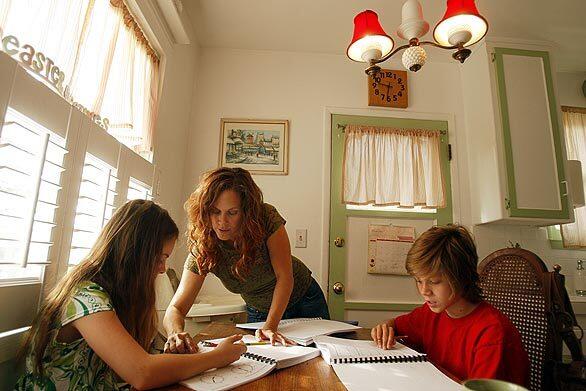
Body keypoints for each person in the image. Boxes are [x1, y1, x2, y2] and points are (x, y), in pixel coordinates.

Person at [16, 200, 246, 390]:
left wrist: (172, 357)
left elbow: (126, 366)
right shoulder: (85, 296)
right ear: (134, 250)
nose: (162, 268)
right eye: (160, 257)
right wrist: (217, 357)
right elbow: (141, 373)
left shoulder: (116, 294)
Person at [164, 167, 329, 350]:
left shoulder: (265, 218)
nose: (222, 222)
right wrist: (175, 333)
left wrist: (271, 326)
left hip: (305, 298)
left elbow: (285, 277)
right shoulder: (204, 248)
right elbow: (175, 309)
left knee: (320, 357)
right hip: (259, 310)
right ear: (205, 211)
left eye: (232, 212)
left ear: (246, 211)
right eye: (215, 212)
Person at [371, 224, 529, 386]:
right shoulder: (431, 313)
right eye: (419, 281)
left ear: (461, 276)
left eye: (434, 281)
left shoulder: (492, 333)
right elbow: (396, 325)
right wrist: (385, 327)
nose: (424, 291)